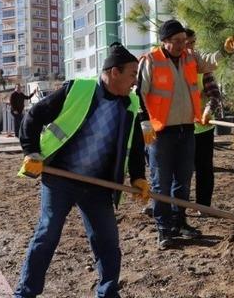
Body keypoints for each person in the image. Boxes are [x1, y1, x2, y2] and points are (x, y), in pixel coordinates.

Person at [14, 43, 150, 298]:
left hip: (99, 185)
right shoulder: (78, 89)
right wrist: (31, 152)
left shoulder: (130, 104)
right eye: (132, 74)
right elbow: (34, 115)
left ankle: (108, 293)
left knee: (108, 241)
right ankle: (25, 293)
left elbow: (135, 146)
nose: (135, 81)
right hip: (60, 177)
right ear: (114, 72)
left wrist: (139, 177)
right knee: (47, 234)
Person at [137, 19, 234, 250]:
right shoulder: (151, 61)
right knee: (161, 182)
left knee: (183, 180)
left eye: (184, 41)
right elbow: (139, 93)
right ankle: (164, 229)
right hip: (161, 132)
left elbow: (211, 63)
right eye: (177, 41)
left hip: (186, 129)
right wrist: (145, 122)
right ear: (164, 41)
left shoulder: (190, 58)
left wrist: (225, 51)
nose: (182, 45)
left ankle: (179, 221)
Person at [185, 28, 222, 214]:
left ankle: (203, 207)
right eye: (187, 43)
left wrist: (209, 109)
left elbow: (214, 94)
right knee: (181, 171)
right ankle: (178, 208)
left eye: (193, 43)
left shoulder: (201, 67)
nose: (191, 48)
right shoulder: (169, 67)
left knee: (204, 169)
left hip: (203, 128)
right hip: (180, 129)